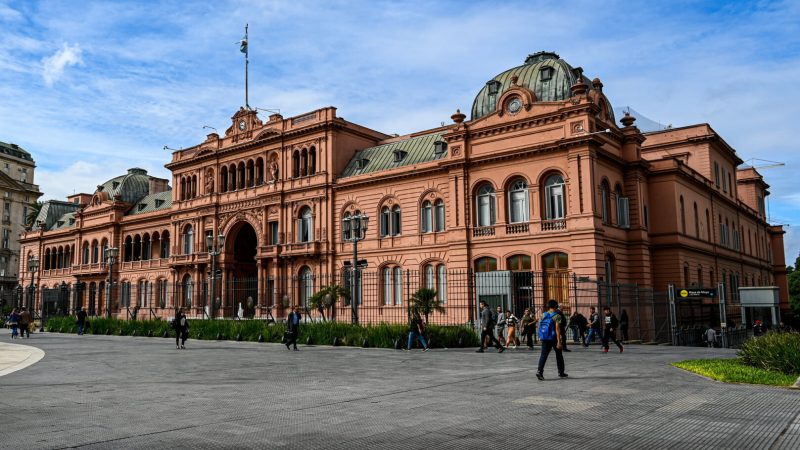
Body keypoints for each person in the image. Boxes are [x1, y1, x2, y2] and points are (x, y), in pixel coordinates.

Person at [536, 299, 567, 381]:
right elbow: (557, 329)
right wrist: (559, 341)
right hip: (554, 338)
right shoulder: (557, 316)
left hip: (545, 338)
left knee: (543, 355)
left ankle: (539, 371)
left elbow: (540, 326)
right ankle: (561, 372)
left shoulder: (543, 315)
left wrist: (540, 336)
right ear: (556, 306)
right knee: (559, 355)